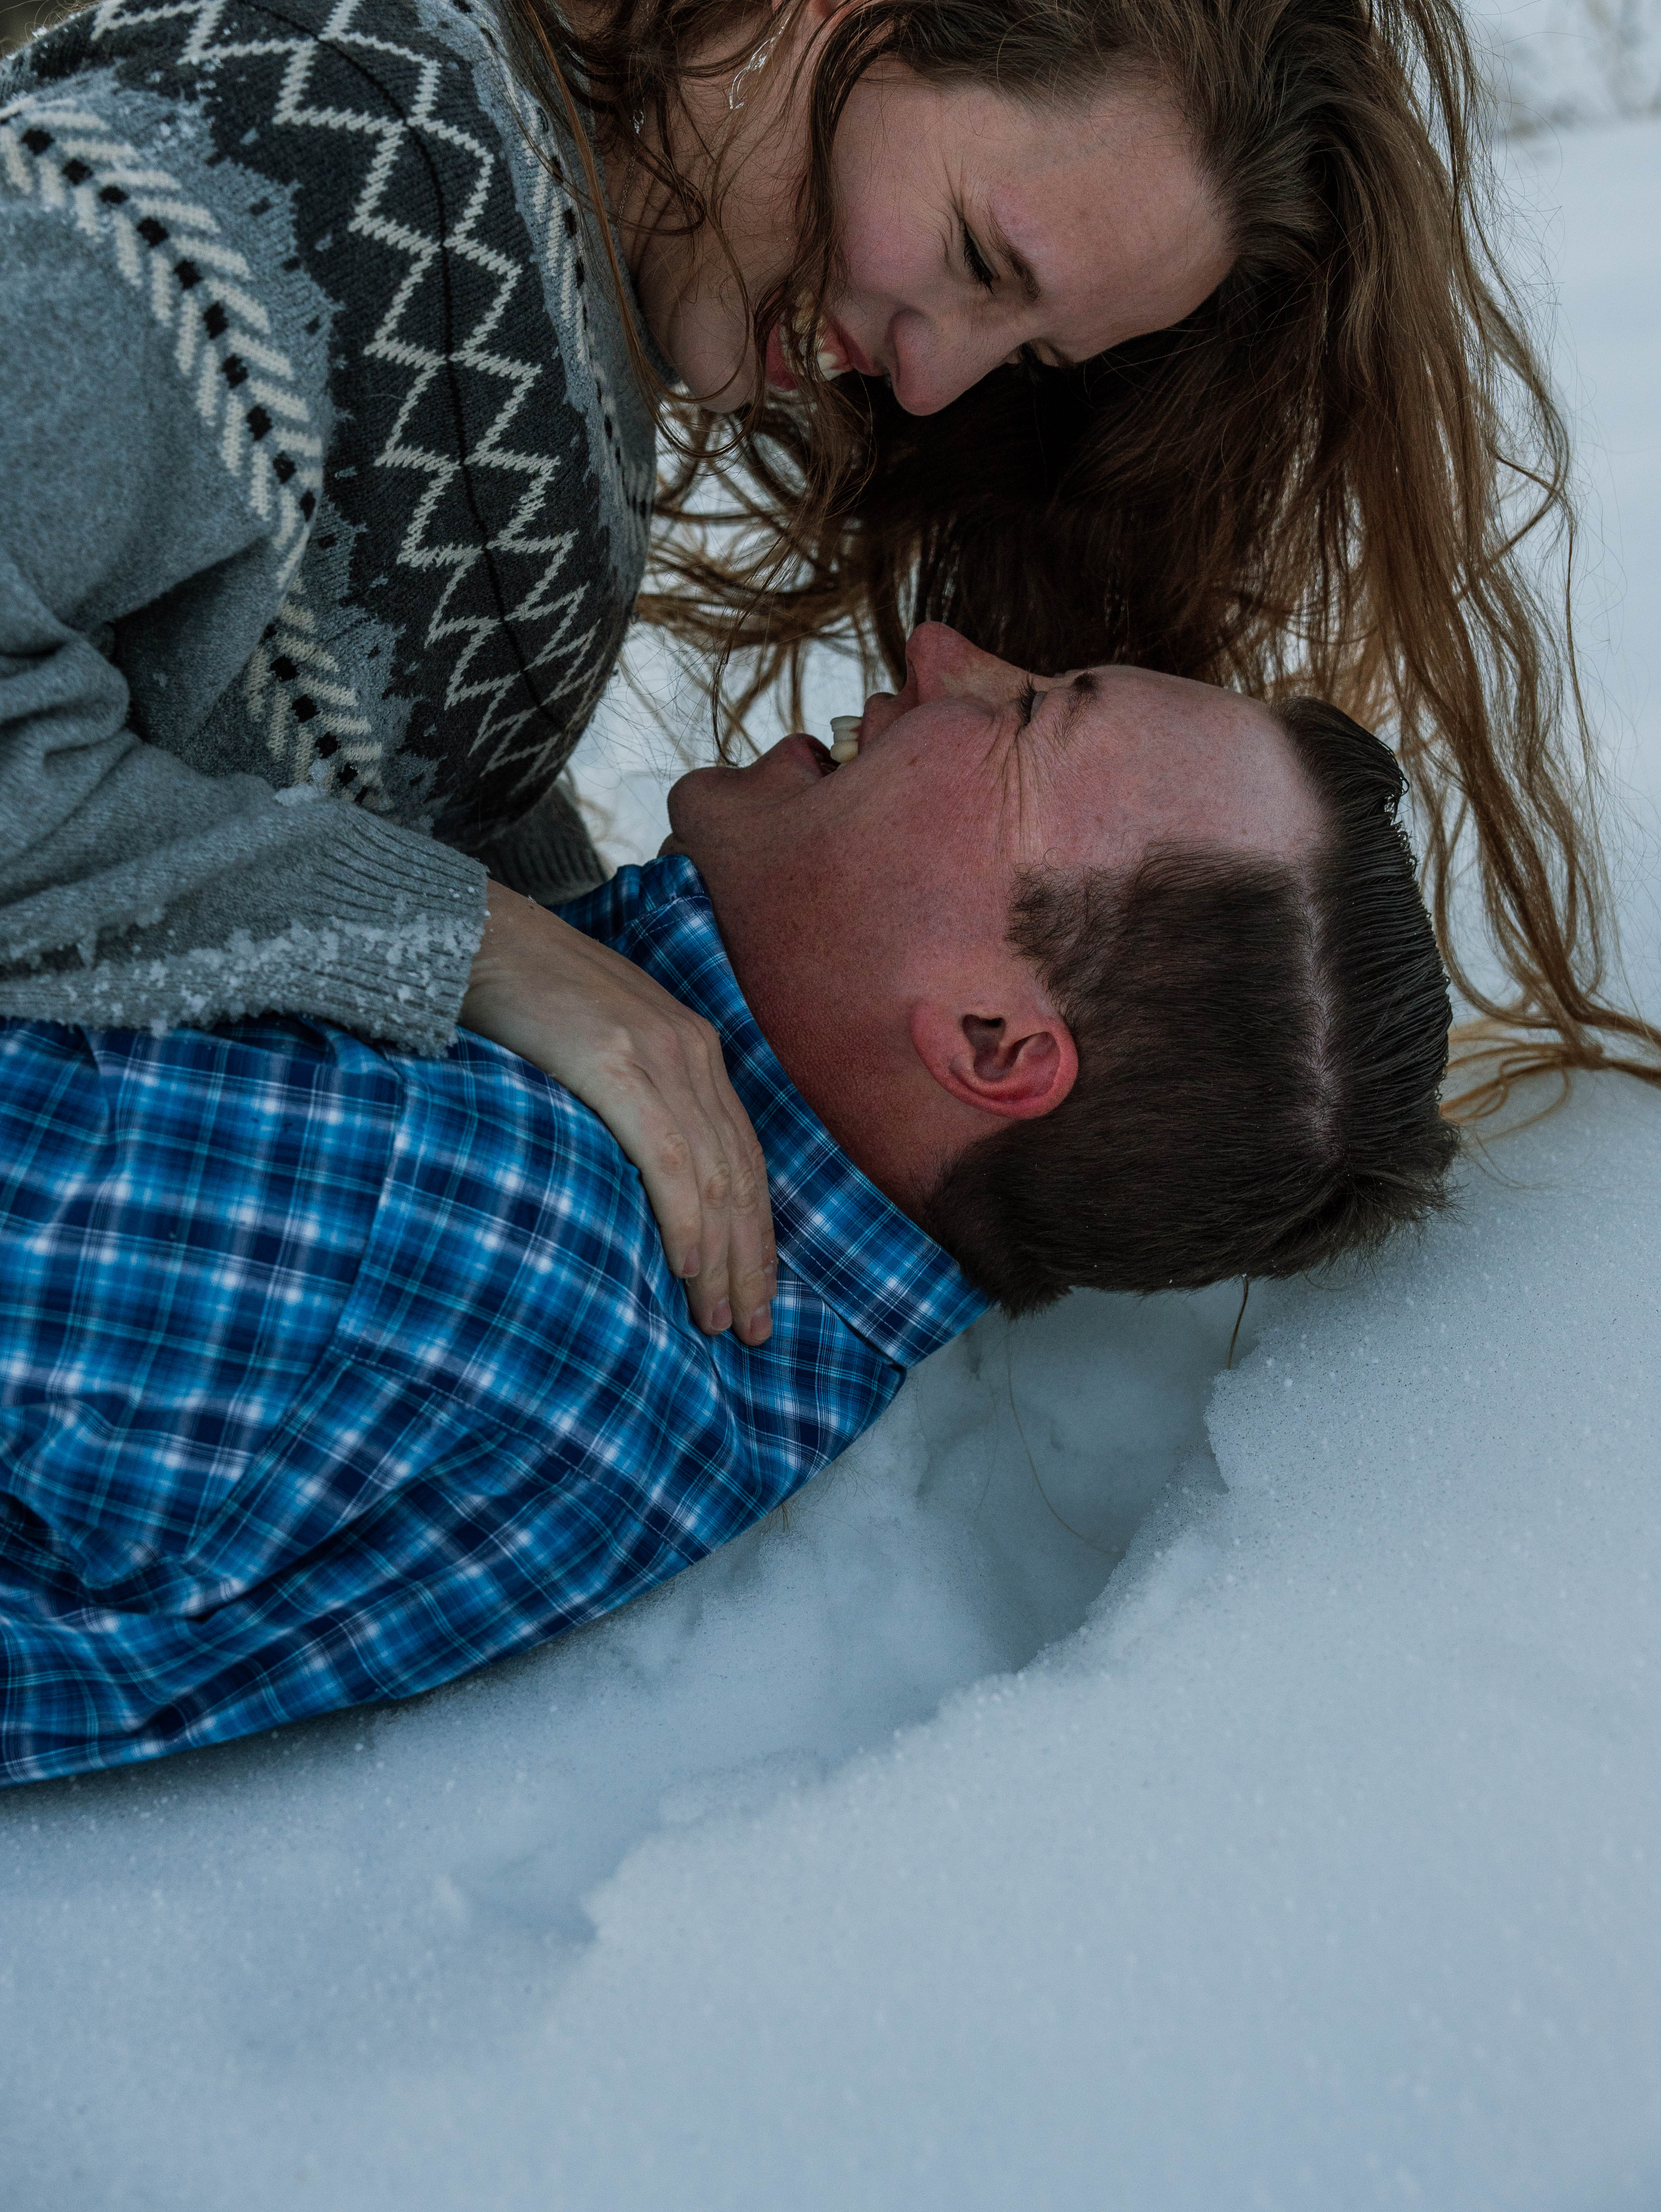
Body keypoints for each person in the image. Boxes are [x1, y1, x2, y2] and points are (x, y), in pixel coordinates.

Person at [0, 0, 1661, 1356]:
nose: (933, 381)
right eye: (975, 258)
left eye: (1024, 352)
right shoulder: (345, 154)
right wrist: (483, 951)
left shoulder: (548, 309)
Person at [0, 626, 1453, 1783]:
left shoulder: (482, 1220)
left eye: (1026, 716)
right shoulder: (652, 1273)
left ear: (991, 1044)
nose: (940, 653)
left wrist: (451, 929)